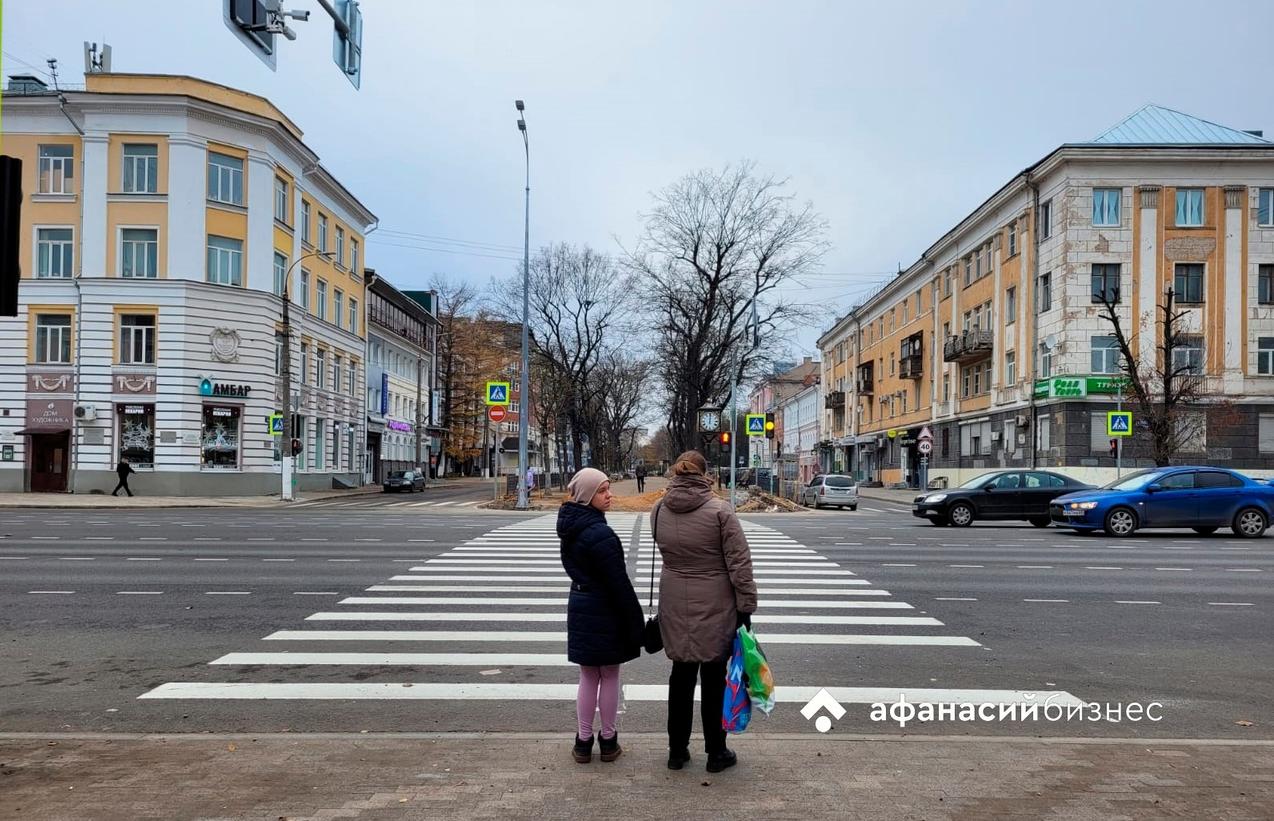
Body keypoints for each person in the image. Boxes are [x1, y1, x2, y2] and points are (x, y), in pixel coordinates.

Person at [654, 450, 756, 773]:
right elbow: (739, 564)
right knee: (714, 679)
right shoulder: (720, 512)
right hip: (715, 606)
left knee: (680, 678)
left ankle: (676, 751)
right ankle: (716, 752)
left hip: (674, 602)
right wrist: (746, 606)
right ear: (705, 474)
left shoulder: (659, 510)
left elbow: (666, 550)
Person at [558, 467, 644, 764]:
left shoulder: (570, 526)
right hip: (605, 608)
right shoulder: (600, 533)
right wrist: (637, 623)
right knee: (609, 674)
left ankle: (583, 742)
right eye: (603, 491)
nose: (610, 495)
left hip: (581, 603)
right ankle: (608, 740)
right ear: (587, 495)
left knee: (586, 675)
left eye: (608, 489)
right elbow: (619, 584)